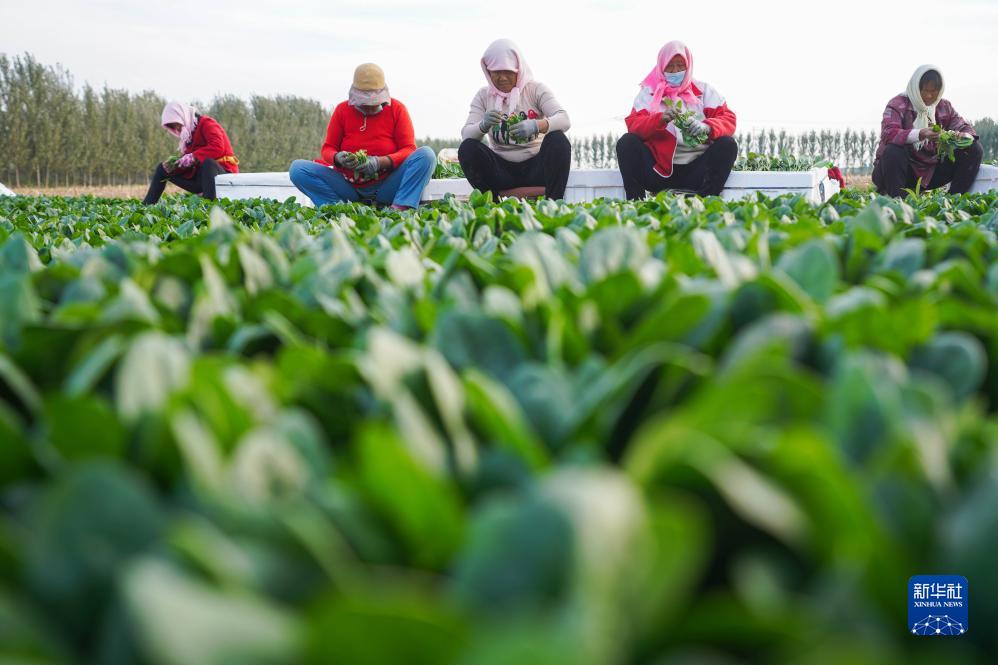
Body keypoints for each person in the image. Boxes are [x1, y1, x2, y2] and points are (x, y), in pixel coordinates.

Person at [289, 63, 435, 210]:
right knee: (298, 169)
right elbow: (328, 148)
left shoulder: (397, 110)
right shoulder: (342, 110)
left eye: (374, 103)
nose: (370, 108)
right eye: (364, 103)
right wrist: (338, 158)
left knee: (426, 155)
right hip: (348, 187)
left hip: (387, 186)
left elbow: (409, 149)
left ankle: (399, 207)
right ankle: (339, 209)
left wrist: (379, 163)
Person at [616, 41, 737, 199]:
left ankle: (706, 198)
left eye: (680, 66)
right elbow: (634, 124)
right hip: (659, 172)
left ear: (688, 66)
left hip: (696, 171)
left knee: (727, 144)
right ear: (661, 67)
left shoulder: (704, 91)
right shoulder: (649, 94)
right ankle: (635, 202)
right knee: (627, 142)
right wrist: (660, 119)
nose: (675, 71)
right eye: (670, 66)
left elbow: (728, 119)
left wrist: (707, 127)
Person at [458, 39, 572, 199]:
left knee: (558, 140)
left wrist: (537, 125)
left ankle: (554, 201)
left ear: (518, 70)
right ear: (488, 72)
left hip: (536, 168)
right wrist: (483, 125)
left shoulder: (535, 90)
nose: (502, 78)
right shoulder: (484, 96)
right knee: (468, 148)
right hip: (502, 172)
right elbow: (466, 135)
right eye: (496, 72)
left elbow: (564, 119)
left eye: (508, 72)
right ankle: (493, 201)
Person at [873, 65, 982, 197]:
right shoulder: (898, 104)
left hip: (929, 172)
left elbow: (963, 126)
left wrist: (964, 135)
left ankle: (954, 199)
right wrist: (921, 133)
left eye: (934, 91)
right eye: (925, 90)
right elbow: (888, 133)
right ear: (916, 88)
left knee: (973, 148)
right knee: (893, 150)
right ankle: (897, 200)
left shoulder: (944, 107)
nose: (929, 96)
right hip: (897, 171)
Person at [142, 102, 239, 205]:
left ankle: (208, 206)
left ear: (183, 116)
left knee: (208, 163)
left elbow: (218, 147)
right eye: (173, 126)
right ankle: (146, 206)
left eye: (177, 124)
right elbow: (189, 163)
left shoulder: (207, 123)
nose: (177, 129)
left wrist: (194, 157)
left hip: (223, 174)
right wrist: (176, 165)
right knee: (162, 169)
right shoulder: (188, 137)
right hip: (202, 179)